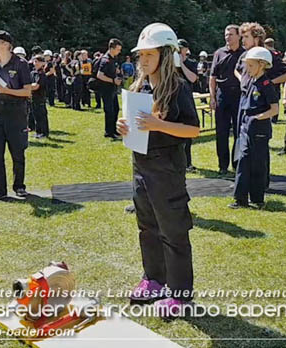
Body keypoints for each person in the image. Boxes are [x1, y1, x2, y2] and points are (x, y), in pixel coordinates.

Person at [115, 23, 199, 318]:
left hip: (167, 170)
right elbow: (134, 127)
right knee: (147, 227)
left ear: (165, 55)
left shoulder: (178, 87)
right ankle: (154, 279)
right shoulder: (140, 86)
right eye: (142, 55)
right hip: (141, 167)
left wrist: (159, 125)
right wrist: (122, 127)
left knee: (173, 231)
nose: (144, 60)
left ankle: (180, 295)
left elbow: (193, 129)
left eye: (150, 54)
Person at [0, 30, 32, 202]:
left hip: (16, 113)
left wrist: (7, 90)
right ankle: (0, 191)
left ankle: (19, 186)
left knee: (17, 152)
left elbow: (27, 91)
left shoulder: (21, 63)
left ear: (5, 44)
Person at [230, 47, 278, 209]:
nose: (247, 69)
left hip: (259, 129)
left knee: (258, 164)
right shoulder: (251, 81)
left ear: (262, 64)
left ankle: (257, 199)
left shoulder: (266, 85)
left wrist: (258, 117)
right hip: (245, 126)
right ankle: (240, 199)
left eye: (250, 66)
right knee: (243, 161)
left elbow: (275, 109)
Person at [209, 24, 244, 175]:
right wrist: (212, 97)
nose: (227, 37)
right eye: (226, 34)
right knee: (221, 132)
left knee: (238, 132)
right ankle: (223, 165)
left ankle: (237, 163)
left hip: (239, 96)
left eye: (230, 34)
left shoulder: (245, 53)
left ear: (238, 36)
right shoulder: (219, 53)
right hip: (222, 95)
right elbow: (212, 77)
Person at [178, 39, 199, 172]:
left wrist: (181, 63)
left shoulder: (191, 63)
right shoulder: (171, 63)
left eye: (181, 48)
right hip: (174, 98)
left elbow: (193, 78)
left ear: (186, 50)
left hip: (187, 99)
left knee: (188, 132)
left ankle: (188, 162)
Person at [97, 38, 123, 140]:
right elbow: (100, 75)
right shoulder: (105, 60)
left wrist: (117, 72)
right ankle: (108, 132)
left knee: (115, 109)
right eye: (118, 49)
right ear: (112, 48)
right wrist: (113, 80)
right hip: (106, 89)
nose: (119, 51)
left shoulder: (113, 59)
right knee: (109, 111)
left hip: (113, 89)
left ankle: (113, 130)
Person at [30, 54, 50, 138]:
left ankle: (44, 132)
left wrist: (27, 87)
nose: (35, 63)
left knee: (41, 115)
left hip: (40, 97)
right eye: (34, 61)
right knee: (36, 115)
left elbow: (36, 86)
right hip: (33, 97)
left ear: (42, 63)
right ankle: (38, 131)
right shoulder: (33, 73)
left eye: (37, 61)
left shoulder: (41, 74)